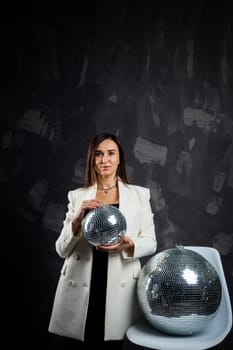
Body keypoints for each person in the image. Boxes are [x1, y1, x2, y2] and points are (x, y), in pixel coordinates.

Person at [48, 132, 157, 349]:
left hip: (119, 282)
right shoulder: (77, 196)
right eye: (98, 154)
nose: (104, 159)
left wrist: (128, 244)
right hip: (81, 281)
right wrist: (77, 218)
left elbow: (151, 241)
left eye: (110, 153)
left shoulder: (139, 195)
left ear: (119, 159)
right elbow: (61, 249)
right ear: (92, 160)